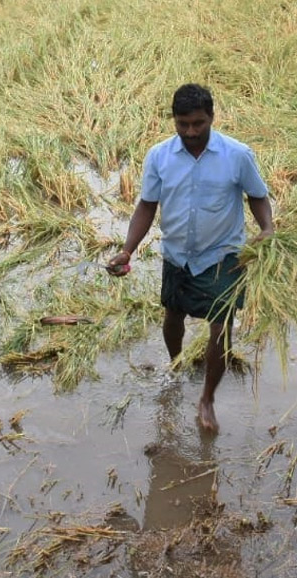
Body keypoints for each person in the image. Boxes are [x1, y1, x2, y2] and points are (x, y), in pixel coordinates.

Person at [107, 84, 274, 433]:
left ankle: (207, 398)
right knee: (173, 316)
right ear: (174, 120)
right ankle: (176, 364)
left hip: (224, 255)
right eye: (182, 124)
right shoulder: (159, 156)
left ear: (212, 117)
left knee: (220, 329)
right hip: (177, 254)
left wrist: (267, 228)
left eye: (198, 123)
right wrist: (127, 249)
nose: (191, 132)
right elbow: (147, 205)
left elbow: (257, 195)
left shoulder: (237, 155)